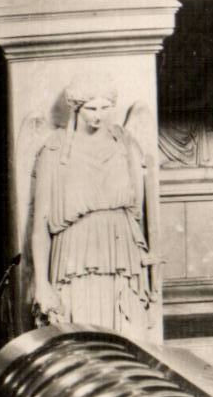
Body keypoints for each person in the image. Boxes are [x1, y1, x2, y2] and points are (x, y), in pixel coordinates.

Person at [30, 77, 159, 337]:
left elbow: (139, 211)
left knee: (126, 337)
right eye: (91, 109)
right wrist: (42, 283)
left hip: (121, 251)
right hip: (75, 257)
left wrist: (150, 262)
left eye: (104, 108)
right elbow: (40, 226)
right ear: (76, 108)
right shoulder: (54, 150)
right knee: (82, 339)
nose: (98, 116)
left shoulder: (124, 144)